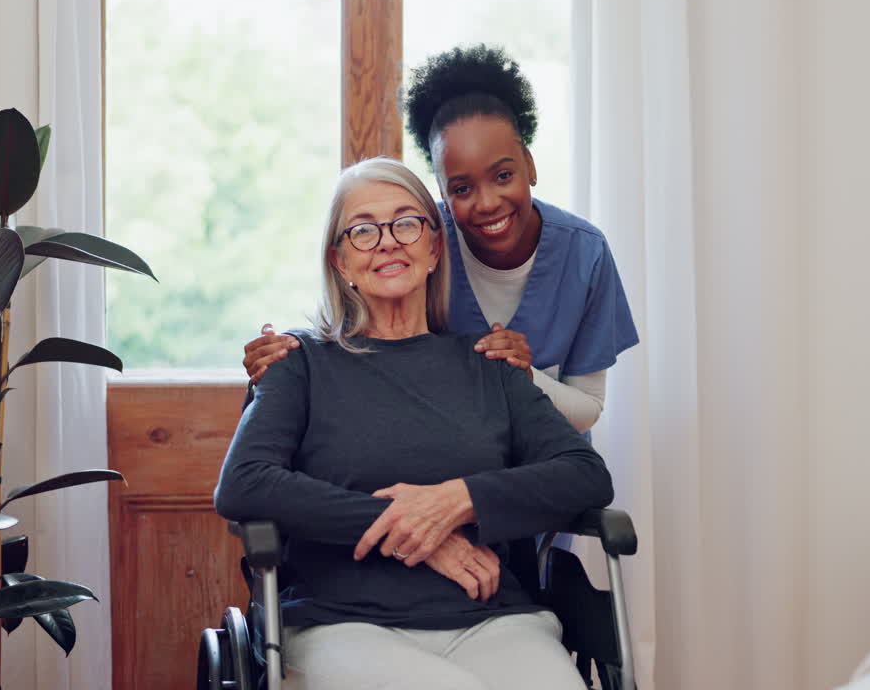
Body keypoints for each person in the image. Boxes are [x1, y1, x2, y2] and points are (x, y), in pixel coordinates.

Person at [214, 157, 613, 690]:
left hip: (492, 620)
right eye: (362, 231)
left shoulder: (489, 364)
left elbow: (586, 475)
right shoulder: (299, 363)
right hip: (342, 621)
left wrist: (457, 499)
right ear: (338, 261)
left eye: (405, 223)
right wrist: (417, 532)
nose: (387, 242)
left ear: (433, 246)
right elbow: (244, 484)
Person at [243, 44, 638, 434]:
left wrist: (522, 373)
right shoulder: (415, 240)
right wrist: (285, 356)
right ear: (443, 195)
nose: (487, 203)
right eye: (461, 189)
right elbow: (360, 346)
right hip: (450, 458)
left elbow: (587, 408)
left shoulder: (585, 254)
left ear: (530, 166)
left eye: (503, 176)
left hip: (549, 462)